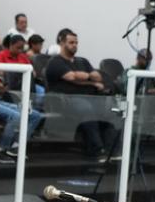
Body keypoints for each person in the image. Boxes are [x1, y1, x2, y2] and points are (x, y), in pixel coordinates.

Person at [44, 29, 115, 160]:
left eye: (76, 43)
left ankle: (112, 151)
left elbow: (98, 77)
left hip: (88, 98)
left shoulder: (82, 61)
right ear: (62, 43)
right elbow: (71, 77)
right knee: (86, 109)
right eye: (71, 42)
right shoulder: (55, 62)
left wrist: (84, 77)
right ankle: (97, 149)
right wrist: (90, 79)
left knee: (109, 112)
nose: (75, 45)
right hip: (64, 99)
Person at [0, 33, 45, 108]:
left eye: (22, 48)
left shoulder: (23, 57)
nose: (20, 50)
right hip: (11, 87)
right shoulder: (1, 55)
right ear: (11, 45)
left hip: (27, 85)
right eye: (18, 48)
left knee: (43, 94)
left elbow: (33, 73)